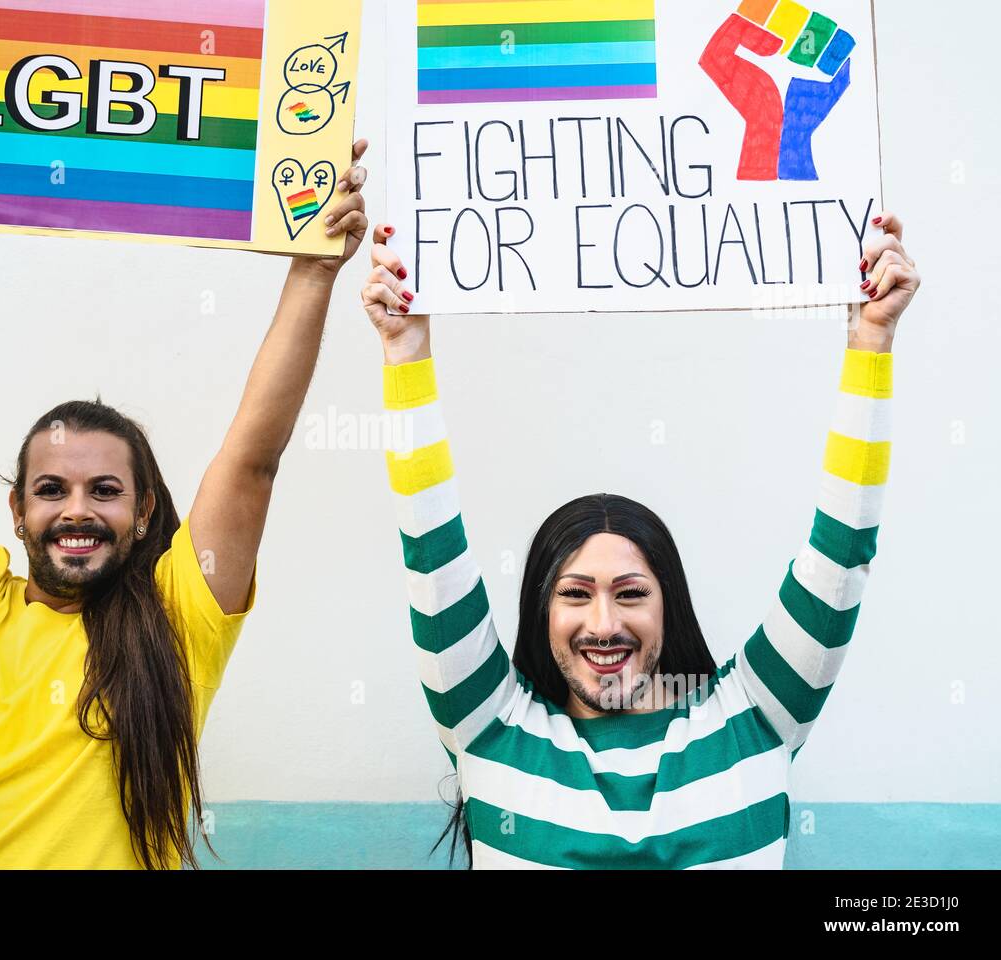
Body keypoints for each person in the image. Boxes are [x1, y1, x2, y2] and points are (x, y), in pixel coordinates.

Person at [0, 117, 369, 869]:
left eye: (104, 489)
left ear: (142, 515)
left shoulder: (177, 623)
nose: (77, 509)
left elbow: (250, 460)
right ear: (18, 512)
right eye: (51, 489)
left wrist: (313, 272)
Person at [361, 214, 919, 869]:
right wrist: (405, 353)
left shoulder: (756, 718)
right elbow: (431, 551)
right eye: (575, 593)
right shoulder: (488, 726)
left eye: (630, 593)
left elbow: (841, 552)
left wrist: (871, 341)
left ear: (668, 606)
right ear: (543, 612)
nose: (604, 623)